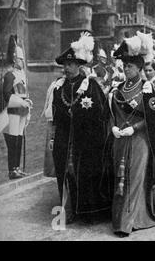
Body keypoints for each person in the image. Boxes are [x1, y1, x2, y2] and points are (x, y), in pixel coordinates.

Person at [107, 35, 155, 237]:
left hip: (139, 140)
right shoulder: (117, 90)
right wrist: (113, 128)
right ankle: (122, 219)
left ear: (138, 68)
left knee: (134, 179)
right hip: (120, 140)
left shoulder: (148, 89)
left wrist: (133, 129)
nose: (126, 69)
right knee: (120, 178)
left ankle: (125, 224)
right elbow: (111, 115)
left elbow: (153, 119)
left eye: (130, 66)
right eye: (124, 66)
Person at [52, 32, 111, 223]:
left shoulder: (91, 86)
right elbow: (56, 118)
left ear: (79, 65)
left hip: (87, 141)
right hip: (65, 141)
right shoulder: (59, 89)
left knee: (87, 174)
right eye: (65, 65)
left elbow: (102, 113)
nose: (66, 68)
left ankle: (89, 212)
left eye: (70, 64)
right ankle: (69, 211)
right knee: (66, 174)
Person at [3, 35, 32, 179]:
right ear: (15, 59)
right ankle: (12, 169)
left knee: (19, 138)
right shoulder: (10, 75)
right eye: (20, 59)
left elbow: (25, 94)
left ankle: (17, 167)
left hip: (22, 110)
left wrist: (28, 106)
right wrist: (22, 103)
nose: (22, 61)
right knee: (13, 139)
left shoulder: (22, 75)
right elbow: (7, 96)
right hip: (14, 110)